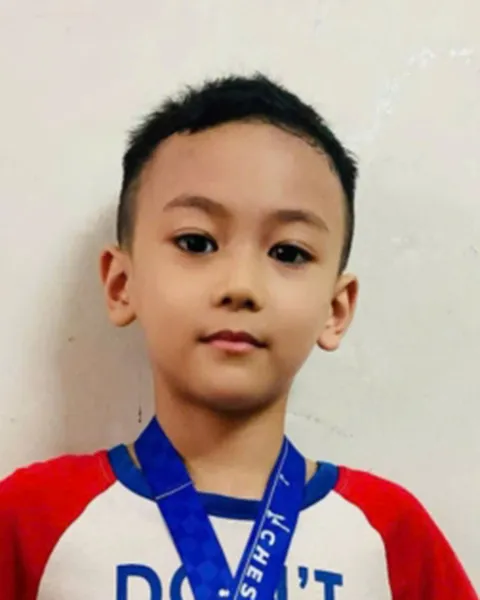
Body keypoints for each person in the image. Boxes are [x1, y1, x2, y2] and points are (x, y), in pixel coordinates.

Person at [0, 74, 476, 600]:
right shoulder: (30, 520)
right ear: (121, 284)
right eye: (196, 242)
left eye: (288, 252)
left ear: (336, 309)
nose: (241, 286)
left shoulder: (391, 536)